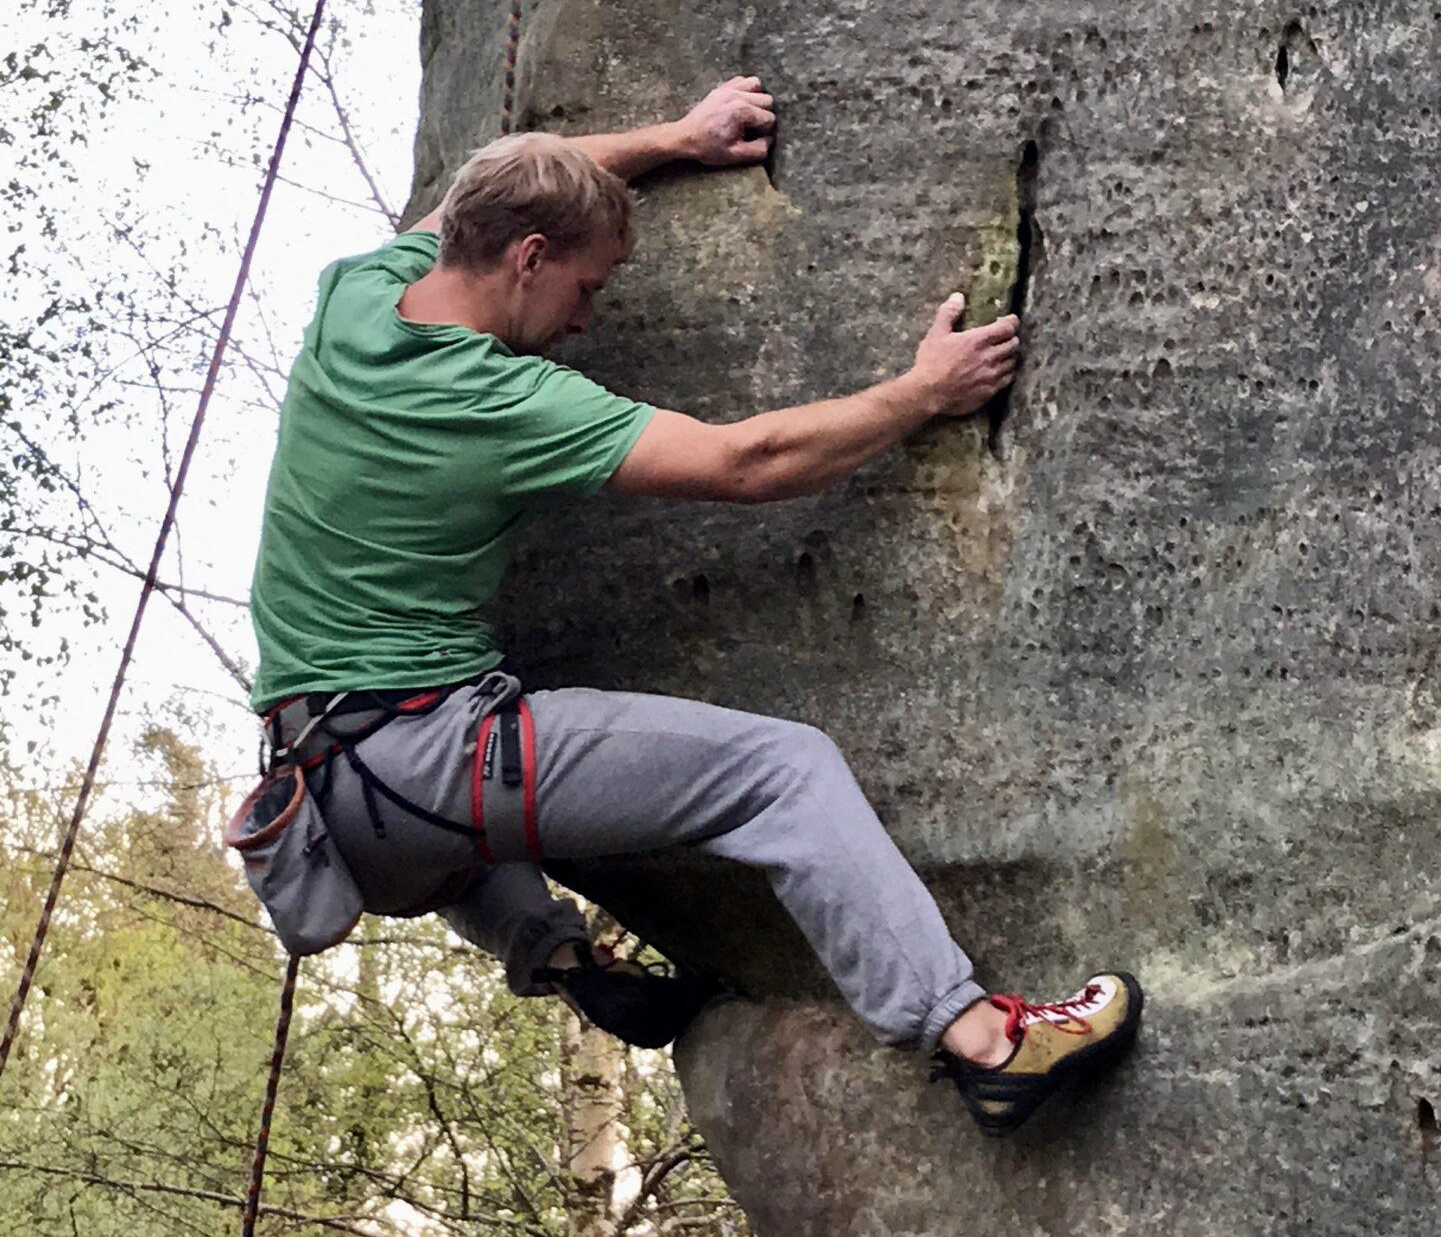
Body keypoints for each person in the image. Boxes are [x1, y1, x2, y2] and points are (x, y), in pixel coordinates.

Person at [250, 78, 1141, 1136]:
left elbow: (493, 182)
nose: (585, 319)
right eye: (584, 286)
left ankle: (551, 949)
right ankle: (983, 1040)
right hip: (429, 764)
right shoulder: (497, 399)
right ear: (529, 259)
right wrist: (923, 394)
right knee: (781, 772)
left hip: (334, 805)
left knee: (478, 808)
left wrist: (679, 139)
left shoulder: (357, 293)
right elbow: (743, 461)